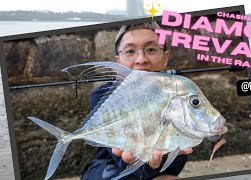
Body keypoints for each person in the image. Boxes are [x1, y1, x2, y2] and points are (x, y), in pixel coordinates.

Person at [81, 22, 193, 180]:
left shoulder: (178, 93)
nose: (141, 59)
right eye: (130, 51)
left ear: (165, 58)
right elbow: (121, 160)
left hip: (161, 169)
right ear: (118, 60)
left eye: (151, 49)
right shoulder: (102, 94)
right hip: (107, 167)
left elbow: (176, 158)